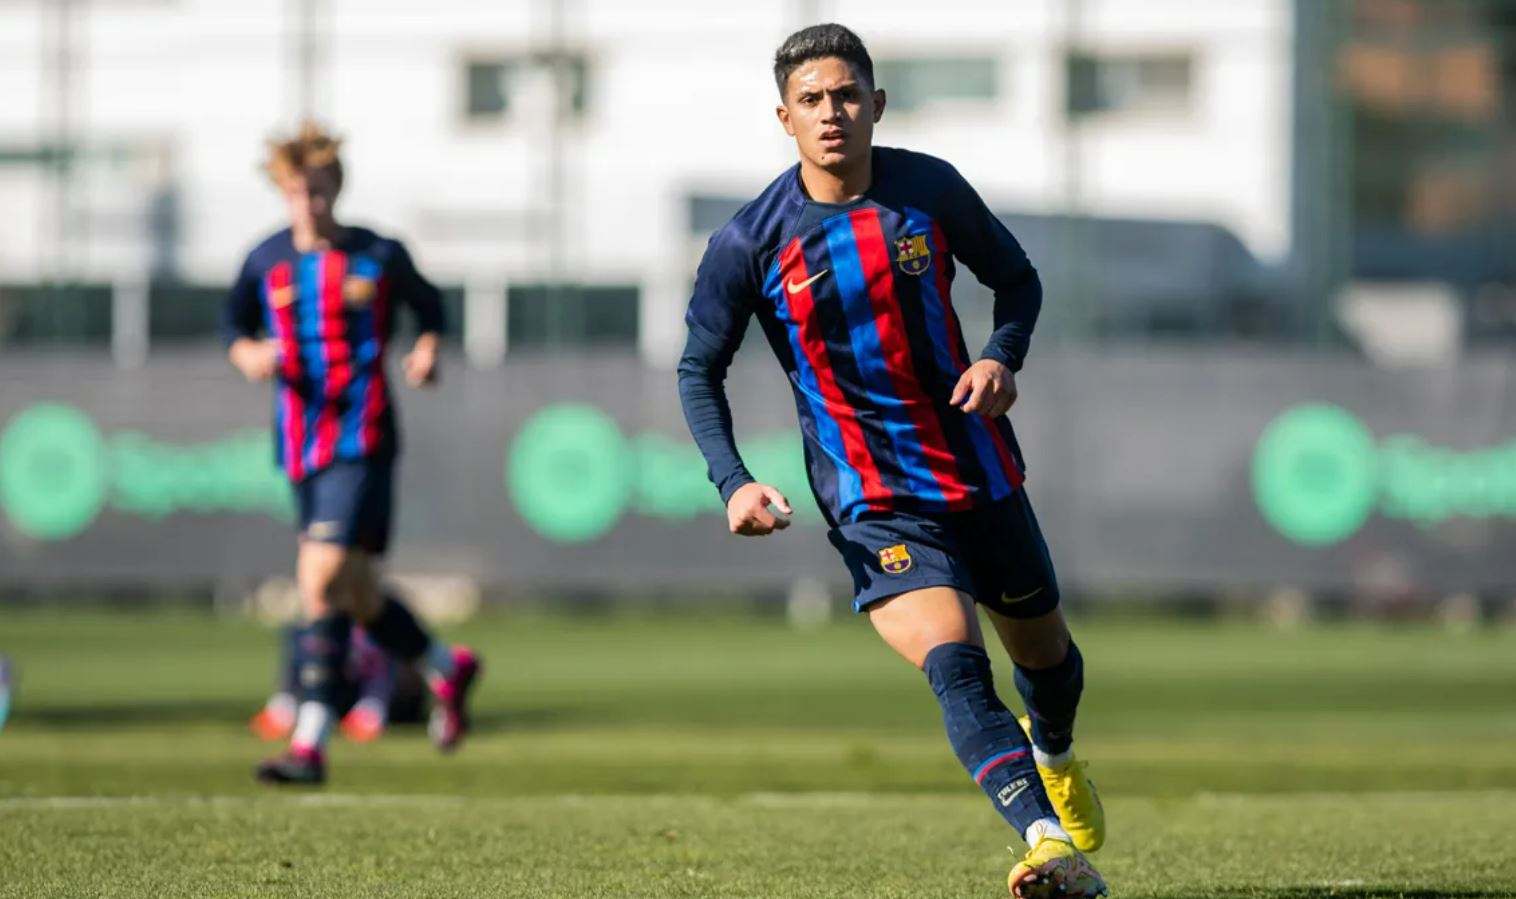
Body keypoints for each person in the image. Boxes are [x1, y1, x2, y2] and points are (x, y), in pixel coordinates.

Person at [677, 24, 1106, 899]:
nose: (830, 113)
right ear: (784, 119)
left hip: (979, 470)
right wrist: (734, 480)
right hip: (872, 500)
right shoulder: (749, 241)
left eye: (844, 95)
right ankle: (1046, 840)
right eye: (811, 101)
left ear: (875, 103)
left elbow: (1016, 280)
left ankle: (1054, 751)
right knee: (955, 663)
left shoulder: (928, 189)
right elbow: (698, 368)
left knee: (1051, 663)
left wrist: (1002, 357)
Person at [224, 122, 480, 786]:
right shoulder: (265, 261)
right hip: (300, 446)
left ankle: (309, 743)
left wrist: (426, 347)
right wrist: (248, 352)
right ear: (282, 193)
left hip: (362, 439)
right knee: (357, 592)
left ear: (336, 188)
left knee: (317, 581)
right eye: (295, 193)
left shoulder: (378, 254)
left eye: (317, 191)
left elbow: (430, 308)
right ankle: (445, 667)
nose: (307, 205)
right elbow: (235, 326)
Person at [250, 598, 429, 745]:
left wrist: (375, 704)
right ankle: (291, 707)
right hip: (336, 687)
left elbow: (383, 669)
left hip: (378, 691)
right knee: (310, 633)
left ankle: (446, 667)